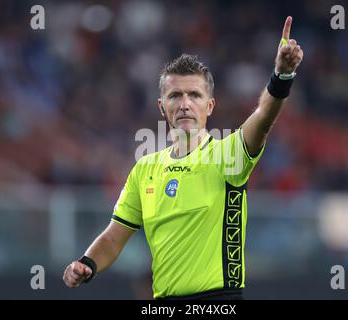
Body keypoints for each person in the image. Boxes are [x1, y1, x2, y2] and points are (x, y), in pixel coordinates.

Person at [63, 16, 303, 300]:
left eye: (194, 95)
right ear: (162, 107)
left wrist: (282, 76)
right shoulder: (145, 169)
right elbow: (114, 237)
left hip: (217, 302)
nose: (185, 103)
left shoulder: (228, 156)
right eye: (175, 95)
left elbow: (263, 117)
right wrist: (87, 262)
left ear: (210, 105)